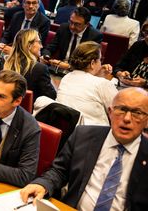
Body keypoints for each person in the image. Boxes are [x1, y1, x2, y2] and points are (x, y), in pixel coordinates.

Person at [20, 87, 148, 210]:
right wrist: (43, 184)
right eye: (121, 109)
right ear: (110, 112)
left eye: (137, 113)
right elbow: (59, 171)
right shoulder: (83, 136)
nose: (127, 119)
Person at [56, 41, 117, 125]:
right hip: (94, 134)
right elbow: (118, 112)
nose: (101, 63)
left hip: (67, 131)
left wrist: (97, 75)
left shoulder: (67, 77)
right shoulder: (103, 84)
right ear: (92, 63)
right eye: (100, 59)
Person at [3, 29, 56, 101]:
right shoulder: (40, 69)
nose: (42, 46)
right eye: (39, 42)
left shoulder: (5, 61)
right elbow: (52, 96)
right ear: (29, 45)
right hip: (27, 111)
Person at [114, 20, 148, 88]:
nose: (147, 37)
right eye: (146, 32)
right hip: (127, 86)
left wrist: (145, 83)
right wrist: (120, 73)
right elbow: (118, 66)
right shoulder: (138, 45)